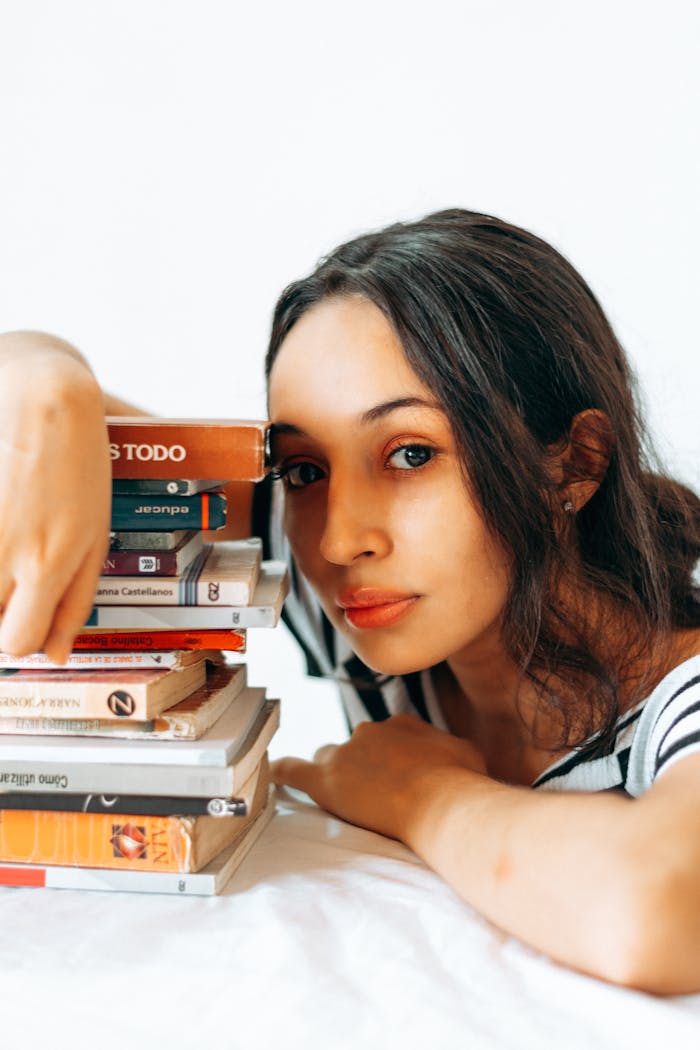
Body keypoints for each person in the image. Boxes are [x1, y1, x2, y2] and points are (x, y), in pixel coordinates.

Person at [0, 209, 698, 993]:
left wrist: (416, 789)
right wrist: (48, 374)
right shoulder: (350, 593)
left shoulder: (682, 698)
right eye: (304, 470)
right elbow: (72, 443)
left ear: (574, 463)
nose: (337, 540)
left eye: (409, 453)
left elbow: (658, 914)